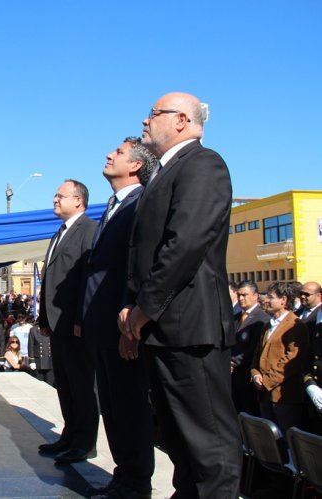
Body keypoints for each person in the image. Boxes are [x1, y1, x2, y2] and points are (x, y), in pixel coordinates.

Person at [119, 92, 242, 497]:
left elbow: (184, 244)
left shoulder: (204, 165)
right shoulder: (163, 174)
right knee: (180, 444)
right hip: (163, 329)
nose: (144, 122)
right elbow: (144, 251)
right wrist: (131, 309)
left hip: (191, 328)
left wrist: (143, 309)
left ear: (182, 121)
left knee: (210, 448)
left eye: (154, 114)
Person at [80, 137, 157, 499]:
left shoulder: (142, 202)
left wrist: (132, 324)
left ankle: (136, 482)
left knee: (128, 407)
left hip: (123, 324)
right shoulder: (113, 205)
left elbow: (137, 265)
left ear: (137, 166)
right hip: (100, 326)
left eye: (119, 153)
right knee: (110, 406)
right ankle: (123, 476)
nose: (109, 155)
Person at [37, 179, 98, 465]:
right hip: (56, 321)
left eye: (60, 196)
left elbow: (87, 278)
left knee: (81, 384)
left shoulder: (89, 231)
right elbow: (50, 277)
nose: (55, 200)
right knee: (65, 382)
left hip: (74, 323)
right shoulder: (59, 232)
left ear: (79, 200)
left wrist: (80, 318)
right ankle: (70, 434)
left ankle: (85, 442)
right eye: (55, 195)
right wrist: (43, 317)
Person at [250, 281, 310, 434]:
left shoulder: (295, 325)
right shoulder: (268, 325)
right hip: (264, 395)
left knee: (287, 440)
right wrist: (255, 373)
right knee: (269, 442)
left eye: (270, 297)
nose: (266, 300)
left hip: (284, 397)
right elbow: (258, 354)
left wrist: (267, 381)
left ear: (283, 300)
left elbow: (291, 360)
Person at [231, 280, 270, 415]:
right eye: (239, 295)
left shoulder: (262, 318)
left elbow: (255, 347)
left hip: (247, 374)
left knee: (249, 412)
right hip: (232, 375)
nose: (241, 298)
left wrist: (235, 362)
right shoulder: (235, 317)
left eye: (245, 295)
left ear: (255, 296)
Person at [27, 320, 53, 385]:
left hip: (50, 361)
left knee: (50, 384)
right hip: (38, 361)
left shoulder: (52, 328)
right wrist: (31, 361)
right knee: (39, 384)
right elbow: (31, 346)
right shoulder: (34, 330)